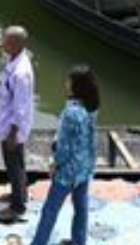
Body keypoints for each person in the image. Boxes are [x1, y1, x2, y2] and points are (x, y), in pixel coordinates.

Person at [30, 63, 99, 245]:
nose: (66, 82)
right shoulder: (91, 107)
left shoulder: (71, 112)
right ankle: (79, 241)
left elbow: (64, 148)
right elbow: (90, 139)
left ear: (75, 84)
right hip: (84, 167)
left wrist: (55, 165)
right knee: (81, 209)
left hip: (67, 172)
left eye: (69, 79)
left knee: (50, 211)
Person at [0, 25, 37, 224]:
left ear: (17, 44)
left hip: (13, 128)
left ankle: (17, 207)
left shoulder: (21, 73)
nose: (2, 43)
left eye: (7, 41)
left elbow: (20, 107)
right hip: (7, 123)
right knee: (16, 162)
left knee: (14, 166)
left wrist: (12, 133)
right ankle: (20, 192)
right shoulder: (14, 61)